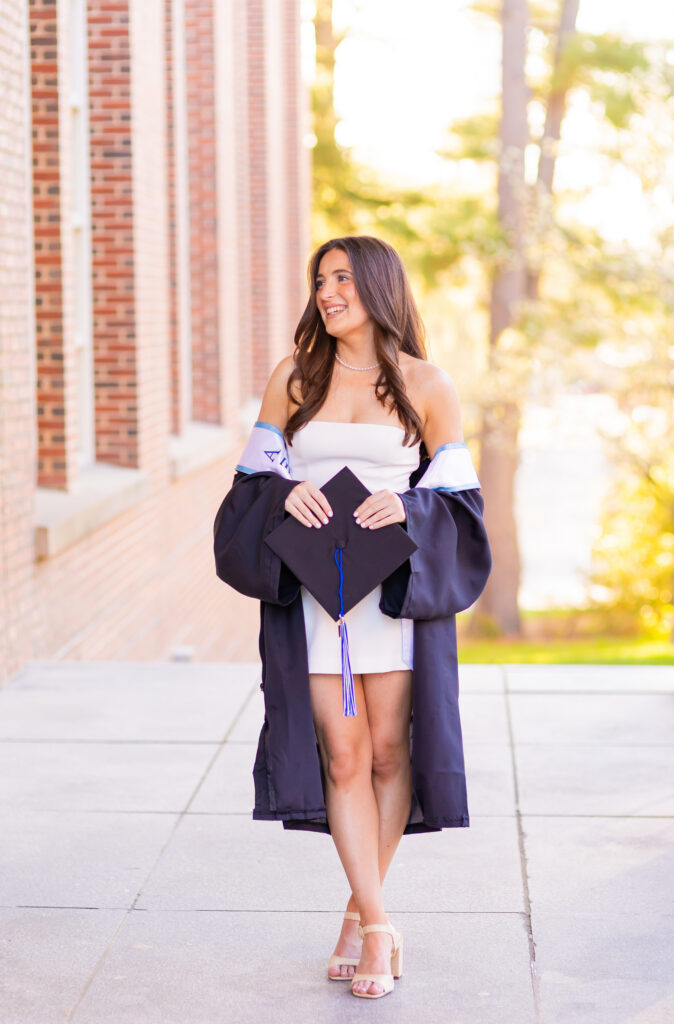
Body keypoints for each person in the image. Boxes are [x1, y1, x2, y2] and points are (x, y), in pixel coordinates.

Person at [213, 235, 492, 999]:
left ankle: (357, 912)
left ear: (377, 285)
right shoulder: (295, 381)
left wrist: (404, 504)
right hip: (315, 598)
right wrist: (282, 495)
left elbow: (461, 508)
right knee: (341, 754)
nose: (327, 291)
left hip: (393, 596)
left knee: (386, 756)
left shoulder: (428, 386)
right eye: (320, 279)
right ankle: (379, 925)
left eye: (341, 277)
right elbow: (245, 494)